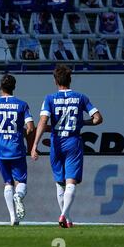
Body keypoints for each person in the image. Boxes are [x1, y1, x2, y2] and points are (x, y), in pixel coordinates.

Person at [31, 65, 103, 228]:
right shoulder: (81, 97)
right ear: (70, 79)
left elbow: (43, 122)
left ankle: (67, 218)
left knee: (60, 183)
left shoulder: (49, 98)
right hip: (73, 141)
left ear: (55, 81)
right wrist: (82, 122)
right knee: (71, 181)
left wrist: (34, 144)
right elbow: (98, 118)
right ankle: (65, 215)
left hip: (56, 142)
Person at [0, 74, 35, 226]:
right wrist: (20, 133)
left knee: (7, 183)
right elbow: (31, 128)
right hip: (16, 148)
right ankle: (18, 196)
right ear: (14, 87)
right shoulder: (22, 105)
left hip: (1, 150)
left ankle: (13, 217)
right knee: (21, 181)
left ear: (0, 88)